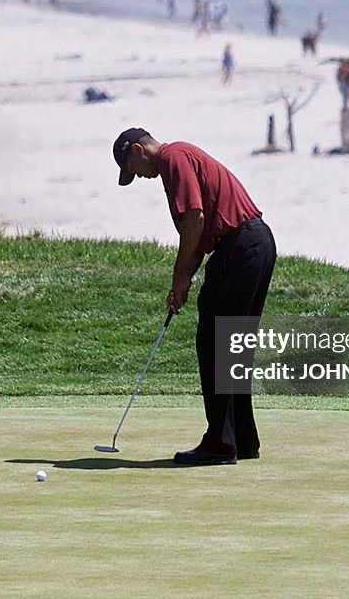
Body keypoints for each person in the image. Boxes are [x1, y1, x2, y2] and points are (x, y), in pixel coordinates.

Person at [112, 128, 276, 465]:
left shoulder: (173, 158)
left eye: (133, 169)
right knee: (234, 344)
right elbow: (199, 230)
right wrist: (185, 278)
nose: (139, 177)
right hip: (256, 243)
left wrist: (180, 276)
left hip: (241, 247)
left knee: (214, 342)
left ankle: (220, 442)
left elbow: (194, 219)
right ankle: (242, 438)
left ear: (139, 150)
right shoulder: (180, 158)